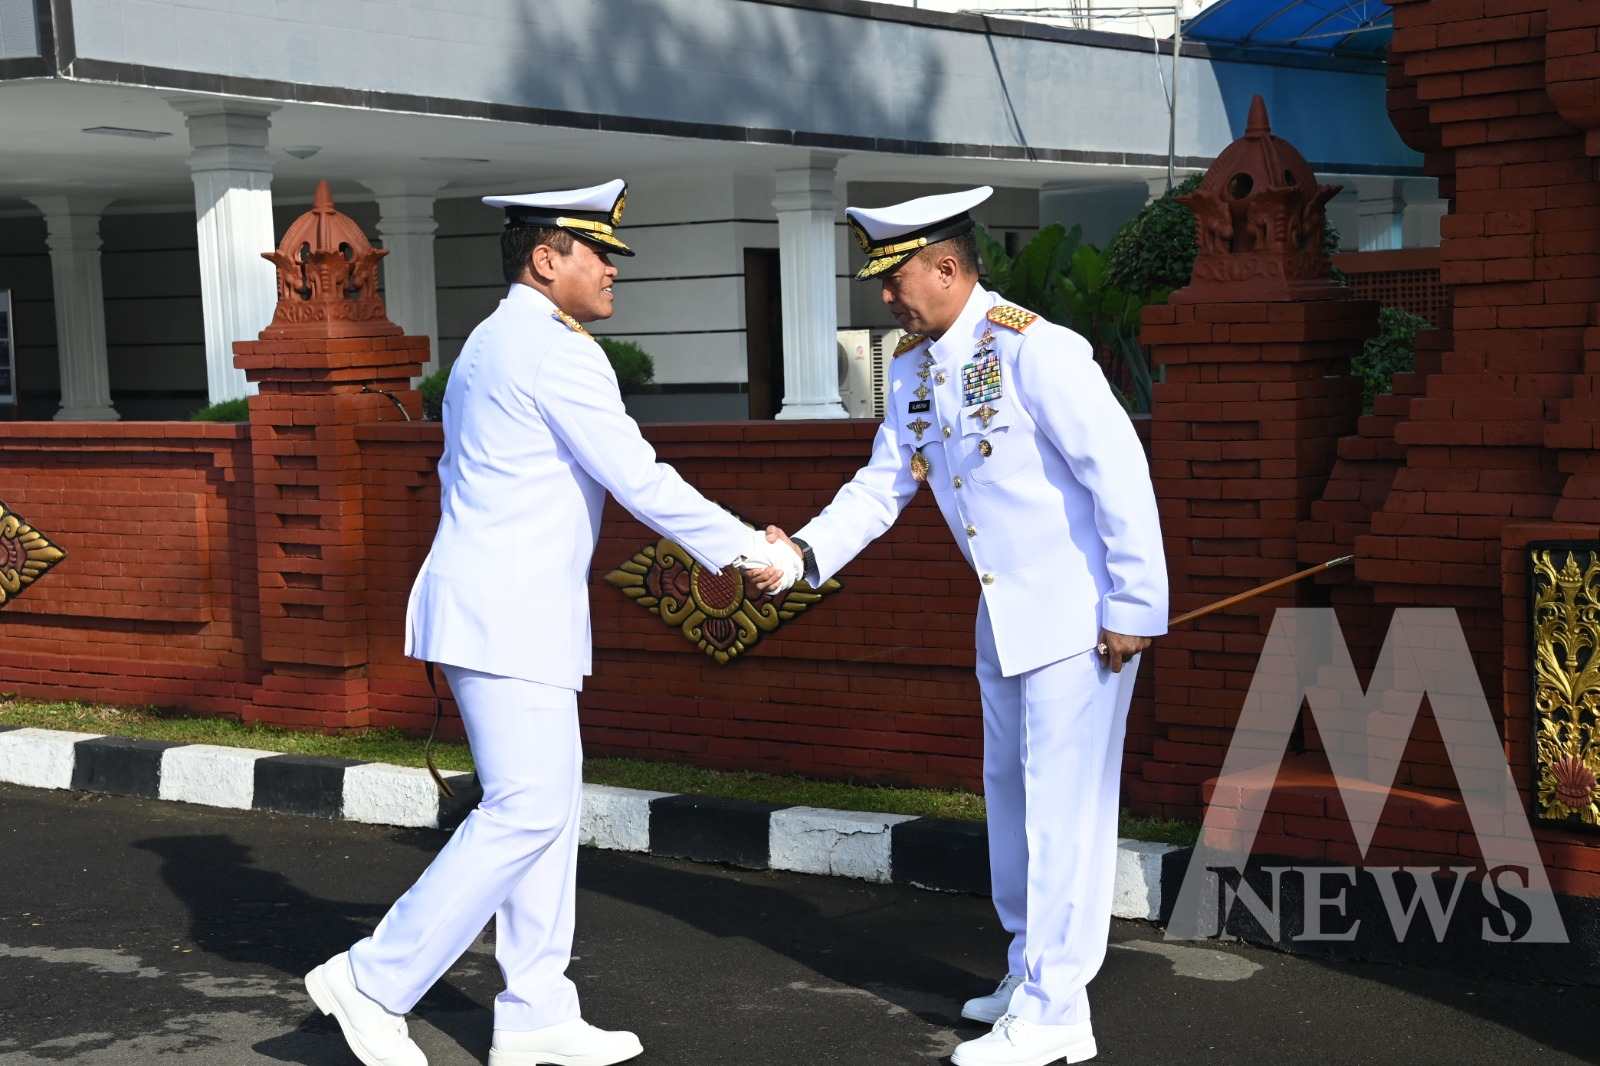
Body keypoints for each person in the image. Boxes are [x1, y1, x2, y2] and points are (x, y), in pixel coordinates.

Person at [301, 179, 800, 1066]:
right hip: (508, 613)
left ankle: (535, 1009)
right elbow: (637, 477)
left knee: (546, 809)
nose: (612, 271)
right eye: (597, 254)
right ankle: (373, 980)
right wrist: (746, 551)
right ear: (545, 258)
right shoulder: (553, 352)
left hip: (505, 608)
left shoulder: (492, 341)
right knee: (527, 807)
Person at [767, 186, 1168, 1066]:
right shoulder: (914, 369)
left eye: (895, 278)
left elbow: (1118, 471)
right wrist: (802, 552)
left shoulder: (1036, 349)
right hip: (1004, 619)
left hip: (1078, 619)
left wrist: (1136, 605)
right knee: (1014, 803)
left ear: (947, 268)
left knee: (1063, 814)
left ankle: (1059, 1013)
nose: (885, 296)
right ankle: (1029, 973)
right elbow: (883, 485)